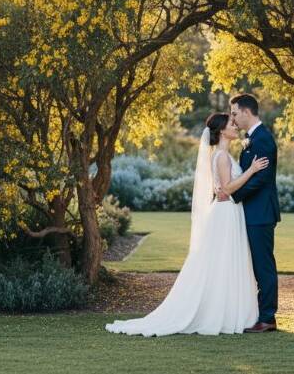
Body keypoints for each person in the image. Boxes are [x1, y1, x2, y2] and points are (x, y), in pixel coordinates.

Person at [104, 112, 269, 336]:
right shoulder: (220, 156)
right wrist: (252, 170)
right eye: (232, 124)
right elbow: (228, 189)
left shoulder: (224, 155)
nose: (236, 126)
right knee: (223, 263)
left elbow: (222, 188)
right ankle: (222, 313)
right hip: (226, 214)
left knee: (226, 263)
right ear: (222, 131)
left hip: (229, 211)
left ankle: (230, 311)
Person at [217, 93, 280, 333]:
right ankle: (258, 313)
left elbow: (261, 180)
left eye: (234, 113)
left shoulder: (262, 139)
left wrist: (233, 195)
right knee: (255, 265)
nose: (232, 118)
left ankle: (267, 318)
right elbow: (246, 175)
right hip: (251, 212)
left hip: (261, 213)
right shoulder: (251, 139)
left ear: (246, 112)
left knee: (263, 266)